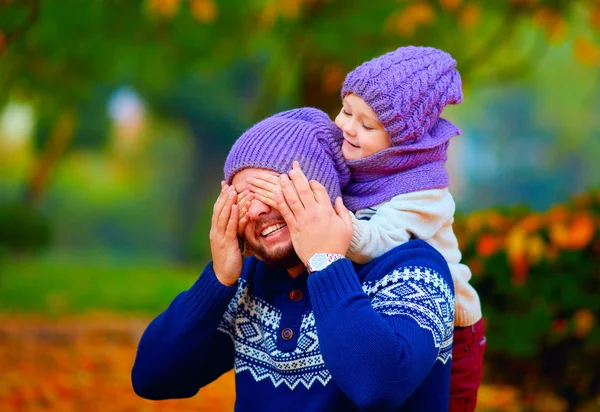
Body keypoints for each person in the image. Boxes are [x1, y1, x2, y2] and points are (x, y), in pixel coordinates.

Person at [131, 108, 456, 411]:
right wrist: (217, 281)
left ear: (321, 193)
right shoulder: (247, 282)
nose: (257, 210)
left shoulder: (412, 268)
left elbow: (380, 387)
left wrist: (326, 264)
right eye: (243, 199)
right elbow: (152, 378)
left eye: (272, 192)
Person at [247, 47, 485, 412]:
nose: (346, 126)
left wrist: (321, 227)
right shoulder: (364, 161)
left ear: (403, 143)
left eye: (367, 124)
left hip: (449, 328)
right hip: (383, 305)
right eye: (345, 110)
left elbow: (377, 239)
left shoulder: (424, 192)